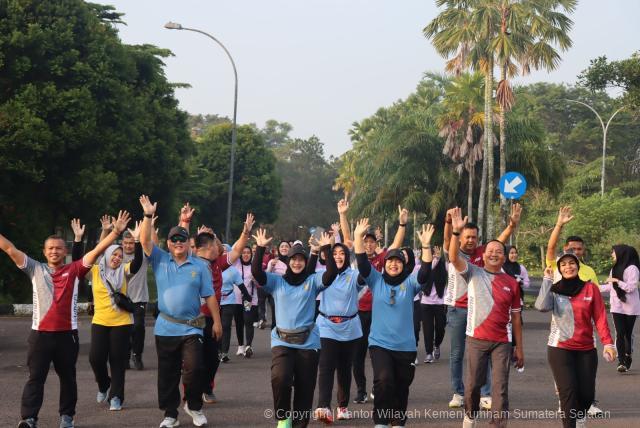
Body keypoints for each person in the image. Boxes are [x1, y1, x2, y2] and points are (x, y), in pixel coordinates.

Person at [1, 211, 131, 428]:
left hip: (66, 336)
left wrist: (116, 231)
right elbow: (8, 248)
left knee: (68, 379)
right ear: (44, 251)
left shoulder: (75, 270)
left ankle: (67, 417)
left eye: (58, 248)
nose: (54, 251)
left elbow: (98, 250)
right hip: (40, 336)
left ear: (65, 251)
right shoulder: (34, 269)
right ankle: (29, 418)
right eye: (50, 248)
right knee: (35, 379)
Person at [138, 195, 222, 428]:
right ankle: (170, 414)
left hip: (192, 326)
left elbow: (210, 296)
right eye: (174, 240)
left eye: (182, 240)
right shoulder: (160, 260)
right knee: (167, 374)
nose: (178, 243)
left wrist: (217, 322)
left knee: (196, 367)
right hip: (166, 327)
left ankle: (193, 405)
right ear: (168, 243)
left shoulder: (199, 266)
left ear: (188, 243)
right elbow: (145, 241)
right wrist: (147, 216)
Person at [251, 229, 337, 428]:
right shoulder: (277, 282)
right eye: (293, 259)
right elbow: (256, 273)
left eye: (301, 259)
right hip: (282, 340)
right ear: (288, 261)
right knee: (280, 378)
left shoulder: (311, 281)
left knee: (305, 387)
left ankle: (299, 424)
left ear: (305, 262)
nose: (297, 263)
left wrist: (326, 248)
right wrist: (260, 248)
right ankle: (283, 417)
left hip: (308, 342)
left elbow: (331, 274)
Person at [353, 218, 434, 428]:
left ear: (403, 264)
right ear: (385, 263)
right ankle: (380, 422)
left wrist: (426, 246)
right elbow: (362, 263)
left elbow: (425, 272)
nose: (394, 263)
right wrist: (357, 237)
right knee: (383, 379)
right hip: (380, 344)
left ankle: (397, 420)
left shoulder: (410, 283)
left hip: (405, 347)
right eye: (390, 260)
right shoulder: (376, 280)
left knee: (401, 385)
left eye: (398, 261)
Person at [448, 207, 524, 428]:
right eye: (490, 250)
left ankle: (497, 424)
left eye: (499, 251)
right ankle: (470, 416)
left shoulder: (511, 282)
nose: (494, 253)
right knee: (473, 385)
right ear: (485, 254)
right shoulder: (474, 272)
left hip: (502, 341)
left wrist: (519, 347)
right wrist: (455, 232)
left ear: (504, 255)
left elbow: (516, 319)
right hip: (476, 338)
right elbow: (453, 257)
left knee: (500, 387)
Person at [535, 252, 616, 428]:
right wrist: (547, 281)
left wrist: (608, 343)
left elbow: (600, 317)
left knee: (587, 395)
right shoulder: (555, 289)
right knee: (568, 393)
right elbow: (541, 306)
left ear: (578, 266)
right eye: (563, 265)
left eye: (572, 263)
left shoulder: (590, 288)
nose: (568, 267)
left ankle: (580, 418)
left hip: (586, 349)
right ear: (559, 269)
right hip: (559, 348)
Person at [338, 199, 408, 404]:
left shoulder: (383, 260)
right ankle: (360, 390)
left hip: (378, 312)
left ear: (376, 243)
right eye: (365, 241)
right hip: (357, 312)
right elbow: (348, 238)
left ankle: (379, 386)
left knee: (377, 353)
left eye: (371, 241)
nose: (367, 244)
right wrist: (343, 214)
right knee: (357, 355)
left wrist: (402, 225)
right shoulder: (355, 257)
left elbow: (396, 244)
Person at [545, 206, 605, 416]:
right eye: (572, 249)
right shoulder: (559, 265)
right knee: (567, 387)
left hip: (586, 336)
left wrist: (607, 341)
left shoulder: (588, 273)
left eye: (579, 250)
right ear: (565, 249)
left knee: (585, 384)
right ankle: (567, 402)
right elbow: (550, 248)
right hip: (561, 337)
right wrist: (559, 224)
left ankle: (585, 404)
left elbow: (597, 308)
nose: (576, 253)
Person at [87, 219, 144, 411]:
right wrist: (79, 238)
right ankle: (104, 384)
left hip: (122, 321)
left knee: (118, 360)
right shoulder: (95, 271)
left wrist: (137, 241)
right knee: (95, 358)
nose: (117, 258)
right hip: (100, 321)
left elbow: (137, 263)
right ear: (108, 255)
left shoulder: (124, 270)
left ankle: (116, 397)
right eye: (114, 254)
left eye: (120, 255)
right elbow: (83, 256)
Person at [313, 241, 364, 424]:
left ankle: (342, 407)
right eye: (334, 254)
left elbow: (364, 274)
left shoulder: (354, 275)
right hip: (326, 326)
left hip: (350, 328)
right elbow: (308, 276)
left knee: (344, 369)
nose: (338, 257)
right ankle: (324, 407)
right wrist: (315, 250)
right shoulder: (323, 275)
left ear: (347, 256)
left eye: (342, 253)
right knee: (326, 366)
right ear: (328, 258)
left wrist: (359, 245)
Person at [99, 215, 159, 371]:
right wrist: (106, 231)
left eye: (131, 243)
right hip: (122, 300)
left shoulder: (142, 255)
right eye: (125, 243)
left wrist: (150, 226)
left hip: (139, 299)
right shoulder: (117, 256)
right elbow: (101, 248)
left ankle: (137, 355)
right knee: (124, 331)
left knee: (138, 328)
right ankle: (124, 357)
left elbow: (155, 246)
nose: (128, 246)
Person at [601, 244, 640, 372]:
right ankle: (621, 361)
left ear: (621, 253)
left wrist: (617, 281)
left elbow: (631, 287)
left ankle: (628, 355)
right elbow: (610, 287)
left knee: (627, 334)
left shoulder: (632, 268)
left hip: (630, 307)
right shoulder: (615, 268)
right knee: (620, 332)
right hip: (617, 306)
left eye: (613, 252)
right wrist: (595, 287)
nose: (612, 255)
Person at [218, 264, 251, 363]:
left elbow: (241, 285)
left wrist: (247, 296)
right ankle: (217, 350)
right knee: (215, 325)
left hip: (229, 301)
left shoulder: (232, 270)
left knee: (226, 325)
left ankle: (224, 353)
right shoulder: (211, 268)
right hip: (214, 301)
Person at [421, 245, 447, 364]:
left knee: (440, 327)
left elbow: (453, 267)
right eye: (430, 254)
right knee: (428, 329)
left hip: (440, 302)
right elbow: (427, 271)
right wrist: (434, 260)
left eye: (434, 254)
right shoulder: (425, 267)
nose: (433, 256)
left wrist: (439, 258)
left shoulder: (444, 265)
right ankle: (428, 353)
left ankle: (437, 344)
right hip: (426, 302)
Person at [503, 246, 530, 353]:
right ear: (506, 255)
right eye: (511, 253)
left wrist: (521, 282)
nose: (514, 255)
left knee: (516, 325)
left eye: (515, 253)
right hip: (504, 301)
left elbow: (527, 283)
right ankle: (503, 349)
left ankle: (514, 349)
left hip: (518, 301)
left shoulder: (521, 268)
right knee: (505, 325)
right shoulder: (501, 267)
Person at [233, 245, 259, 357]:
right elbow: (233, 249)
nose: (246, 254)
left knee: (248, 321)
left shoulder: (254, 267)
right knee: (239, 323)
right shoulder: (236, 264)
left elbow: (261, 284)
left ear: (251, 254)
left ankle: (248, 346)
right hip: (236, 300)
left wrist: (256, 280)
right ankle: (240, 346)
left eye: (248, 252)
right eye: (243, 252)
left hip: (248, 300)